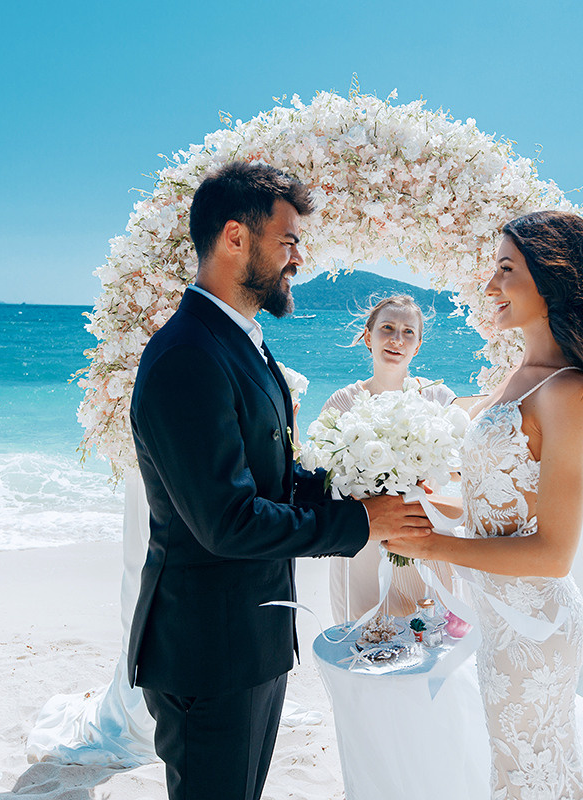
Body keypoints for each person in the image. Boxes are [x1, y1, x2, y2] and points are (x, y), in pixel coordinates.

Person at [128, 161, 433, 800]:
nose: (298, 256)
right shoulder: (189, 356)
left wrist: (366, 485)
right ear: (235, 238)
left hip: (252, 640)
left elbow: (276, 478)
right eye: (288, 240)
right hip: (208, 652)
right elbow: (228, 520)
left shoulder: (242, 341)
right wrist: (362, 524)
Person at [388, 210, 583, 798]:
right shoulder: (521, 374)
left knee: (525, 777)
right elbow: (504, 508)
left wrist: (431, 545)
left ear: (551, 280)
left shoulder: (566, 388)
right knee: (526, 774)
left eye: (505, 271)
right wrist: (439, 504)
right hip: (501, 621)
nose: (490, 288)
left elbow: (555, 551)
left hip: (534, 628)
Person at [320, 295, 457, 623]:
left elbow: (462, 470)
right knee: (366, 647)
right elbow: (322, 483)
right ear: (369, 337)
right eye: (388, 328)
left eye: (408, 332)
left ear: (418, 345)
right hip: (364, 550)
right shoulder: (341, 403)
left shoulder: (438, 397)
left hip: (424, 541)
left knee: (432, 644)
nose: (397, 339)